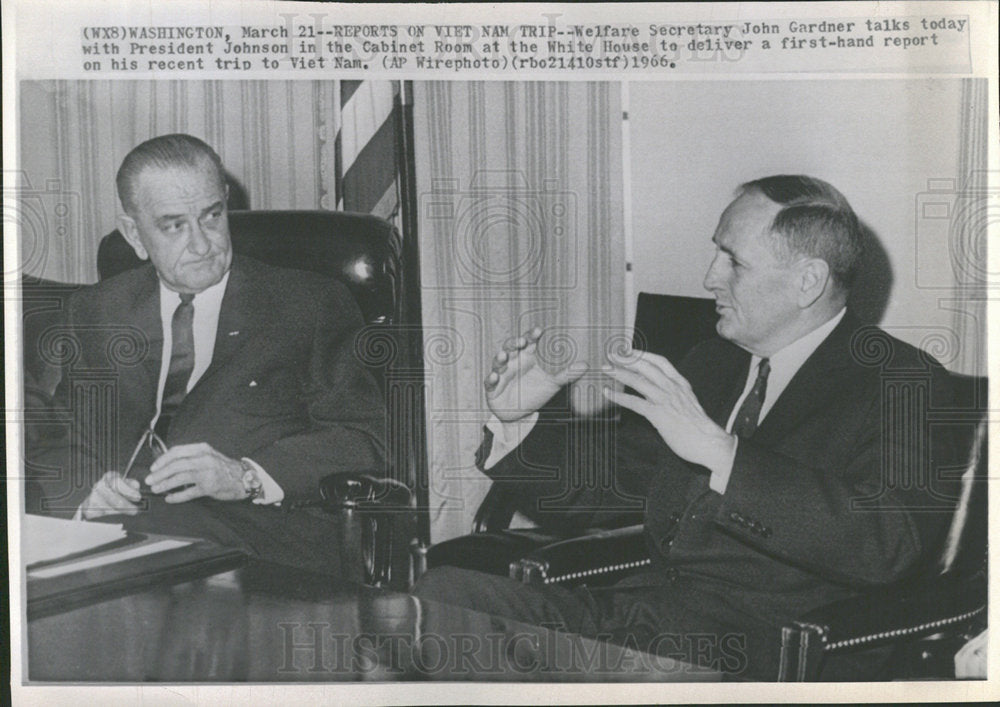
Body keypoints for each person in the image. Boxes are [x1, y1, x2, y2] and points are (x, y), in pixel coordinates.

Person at [412, 175, 960, 680]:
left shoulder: (901, 381)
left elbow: (887, 543)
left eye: (733, 261)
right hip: (639, 621)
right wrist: (520, 421)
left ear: (808, 281)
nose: (708, 278)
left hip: (763, 649)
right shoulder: (713, 364)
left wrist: (722, 455)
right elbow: (608, 487)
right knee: (436, 599)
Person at [26, 134, 386, 574]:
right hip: (124, 538)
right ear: (134, 234)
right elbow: (63, 433)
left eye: (212, 216)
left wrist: (245, 475)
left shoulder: (308, 304)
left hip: (260, 536)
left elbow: (364, 440)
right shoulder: (97, 310)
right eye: (174, 225)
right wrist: (85, 494)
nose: (202, 244)